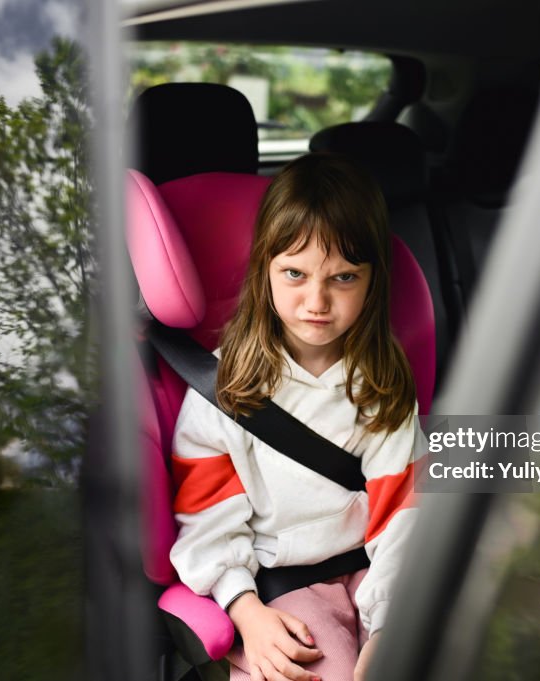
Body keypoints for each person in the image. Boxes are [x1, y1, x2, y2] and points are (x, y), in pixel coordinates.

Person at [169, 152, 423, 681]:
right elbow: (208, 524)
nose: (317, 301)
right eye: (294, 273)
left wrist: (390, 628)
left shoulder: (383, 386)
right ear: (265, 269)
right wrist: (247, 613)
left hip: (378, 572)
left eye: (344, 278)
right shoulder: (225, 393)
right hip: (282, 586)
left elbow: (403, 520)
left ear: (374, 280)